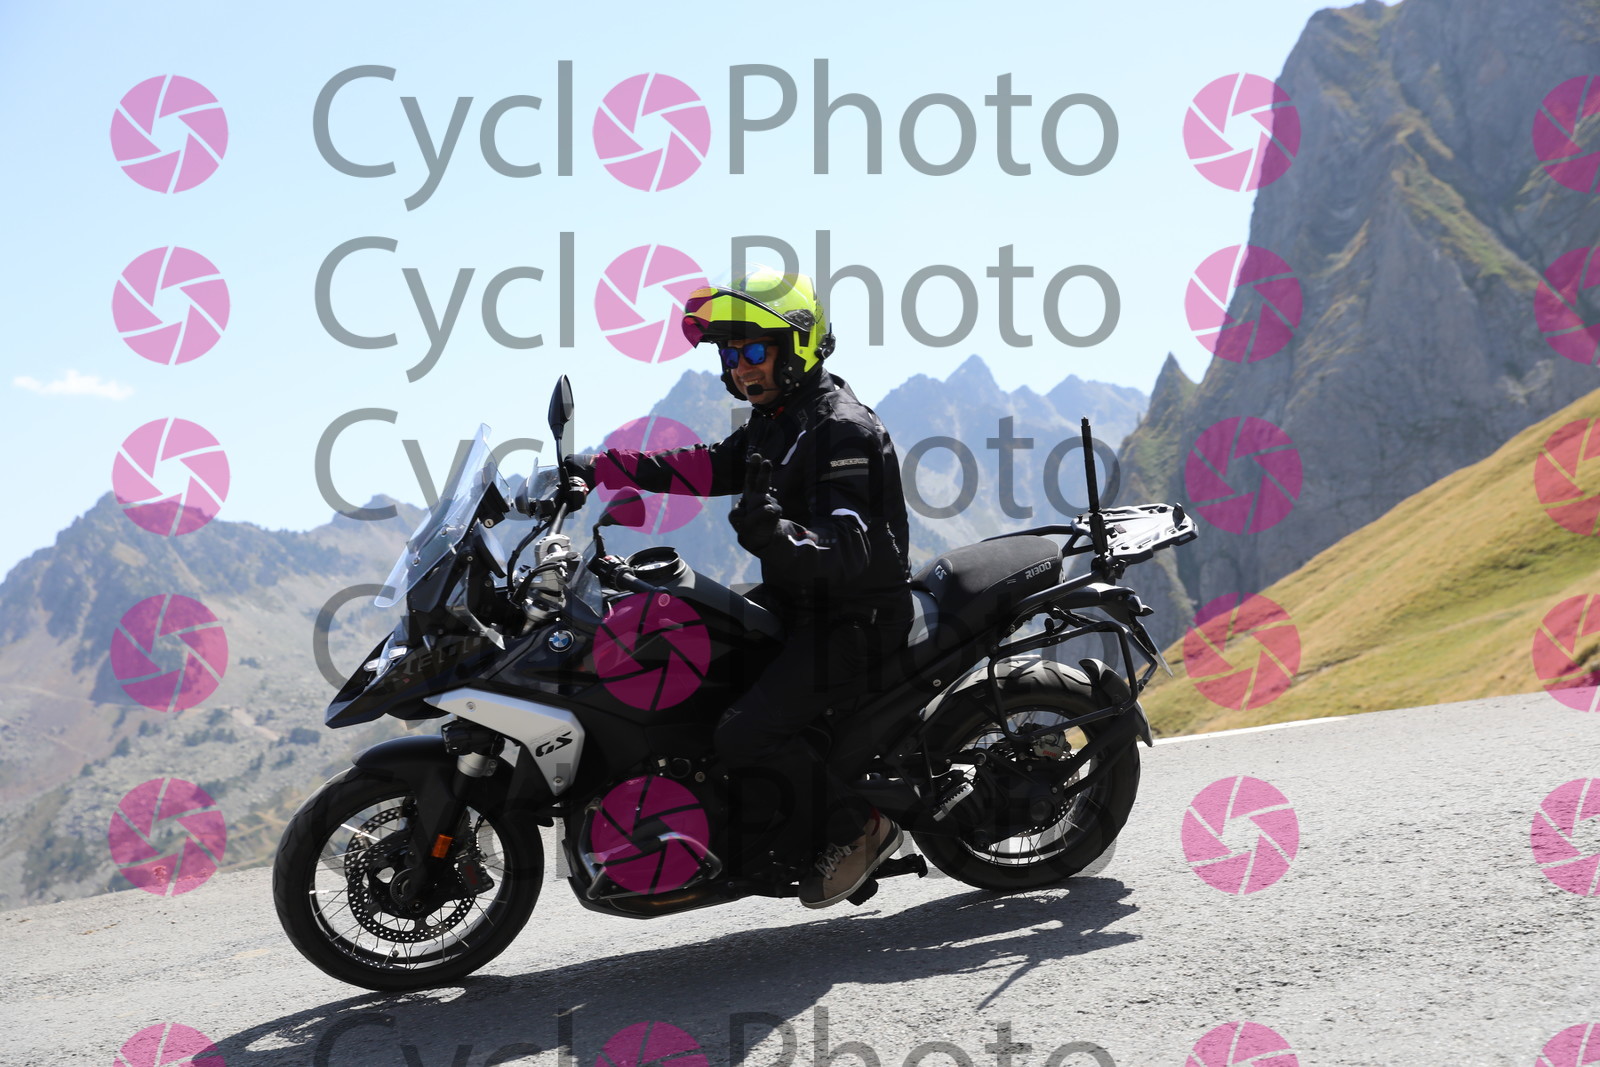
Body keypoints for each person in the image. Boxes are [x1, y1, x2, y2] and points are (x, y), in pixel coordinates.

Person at [563, 267, 913, 908]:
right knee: (688, 660)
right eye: (730, 355)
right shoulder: (777, 421)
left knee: (746, 734)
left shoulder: (842, 430)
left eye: (754, 350)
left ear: (796, 345)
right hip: (796, 605)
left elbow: (849, 548)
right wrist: (604, 466)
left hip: (853, 619)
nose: (741, 367)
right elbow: (704, 465)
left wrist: (775, 535)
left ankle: (857, 828)